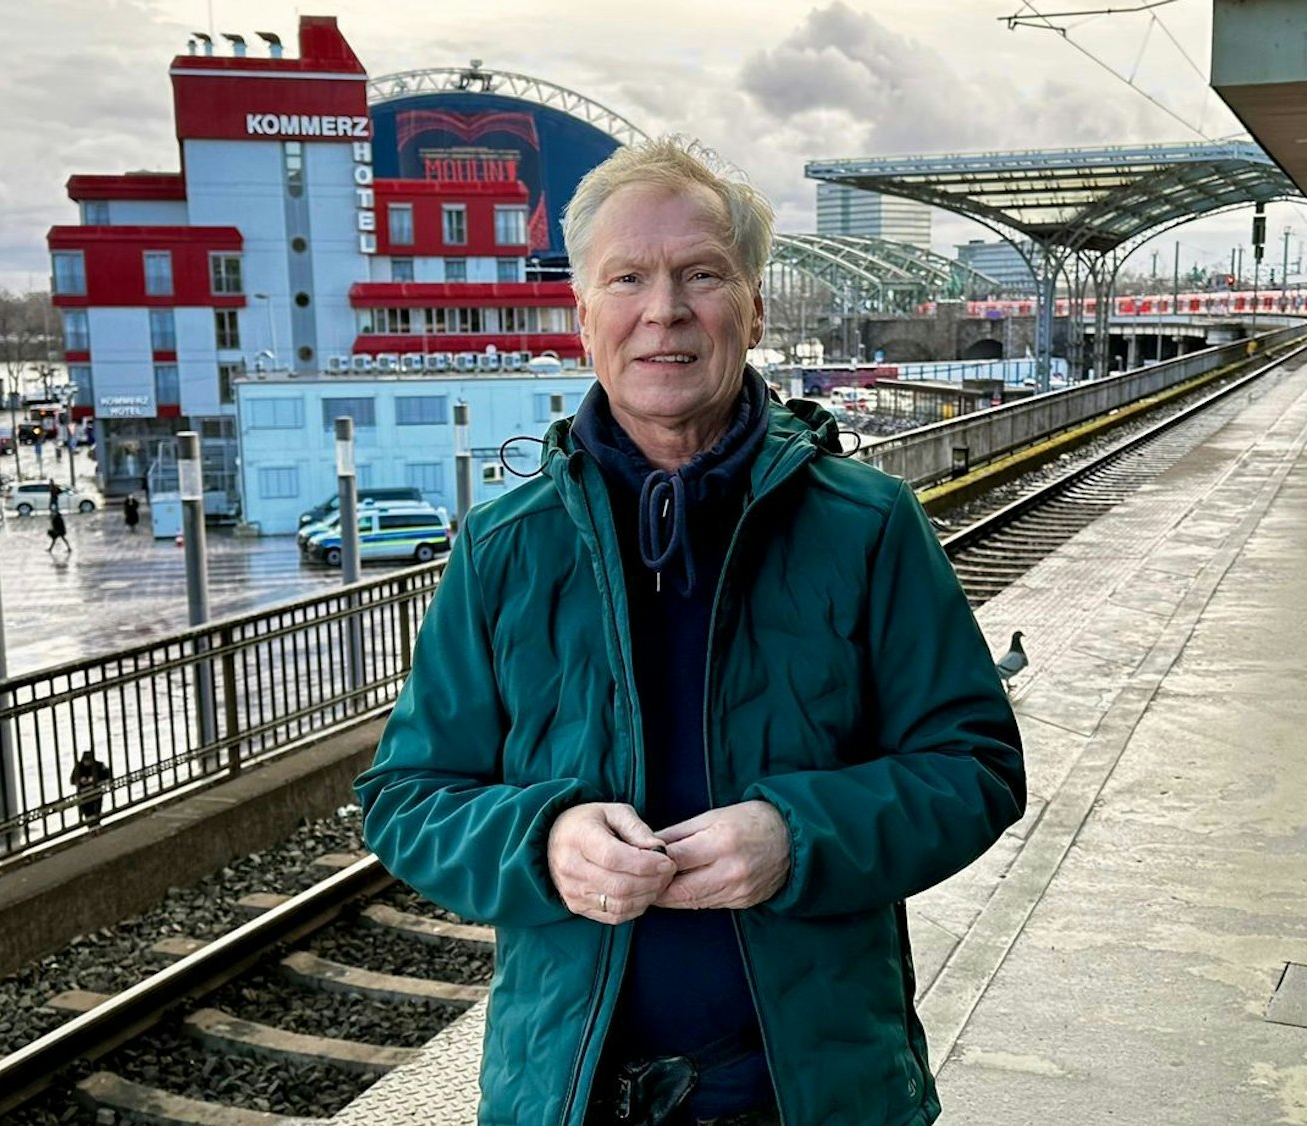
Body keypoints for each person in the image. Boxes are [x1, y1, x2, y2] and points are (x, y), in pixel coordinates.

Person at [354, 138, 1025, 1126]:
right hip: (569, 1098)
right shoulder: (503, 547)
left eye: (699, 274)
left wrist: (796, 836)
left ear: (752, 308)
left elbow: (973, 767)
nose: (662, 310)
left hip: (815, 1096)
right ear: (582, 313)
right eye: (625, 277)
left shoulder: (869, 526)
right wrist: (542, 840)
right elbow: (406, 798)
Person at [69, 750, 111, 826]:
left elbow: (108, 775)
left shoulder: (99, 765)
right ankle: (92, 827)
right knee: (87, 812)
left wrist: (96, 779)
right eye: (86, 760)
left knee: (96, 811)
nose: (87, 762)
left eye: (89, 760)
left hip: (96, 792)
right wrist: (80, 780)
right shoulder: (78, 767)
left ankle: (96, 825)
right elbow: (72, 780)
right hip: (83, 794)